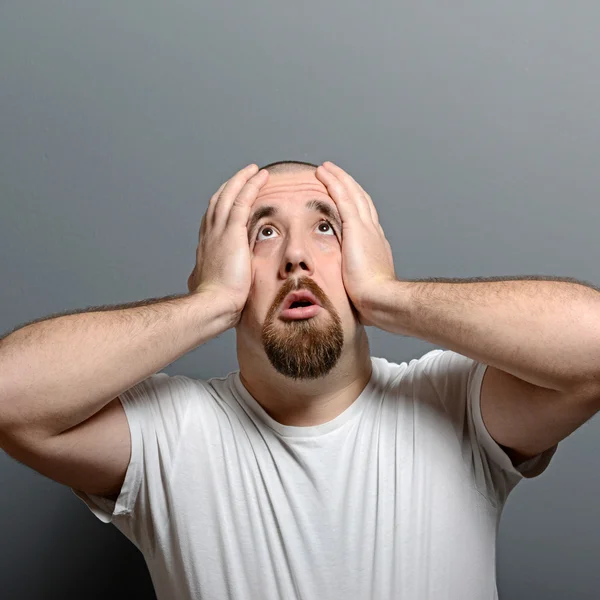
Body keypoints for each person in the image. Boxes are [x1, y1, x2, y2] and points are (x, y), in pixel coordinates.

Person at [1, 159, 599, 600]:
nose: (295, 257)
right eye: (263, 233)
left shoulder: (454, 404)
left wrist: (390, 297)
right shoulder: (171, 433)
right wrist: (207, 304)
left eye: (326, 229)